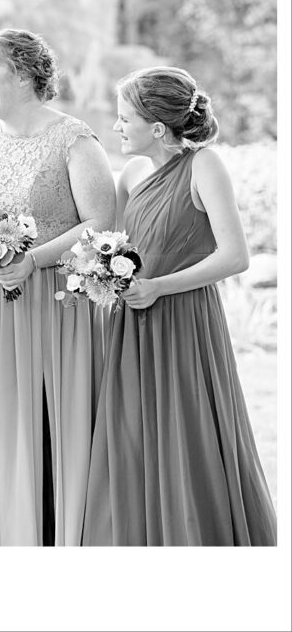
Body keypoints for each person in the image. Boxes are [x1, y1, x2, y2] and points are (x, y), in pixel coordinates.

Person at [82, 67, 276, 546]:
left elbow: (235, 256)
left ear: (157, 127)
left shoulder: (204, 166)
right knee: (132, 434)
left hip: (185, 321)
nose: (116, 127)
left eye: (124, 118)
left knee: (186, 433)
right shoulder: (129, 172)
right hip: (132, 321)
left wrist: (160, 287)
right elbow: (120, 245)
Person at [0, 28, 116, 546]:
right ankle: (2, 532)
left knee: (47, 421)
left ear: (22, 74)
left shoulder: (74, 138)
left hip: (53, 301)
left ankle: (53, 535)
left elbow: (99, 221)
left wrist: (33, 259)